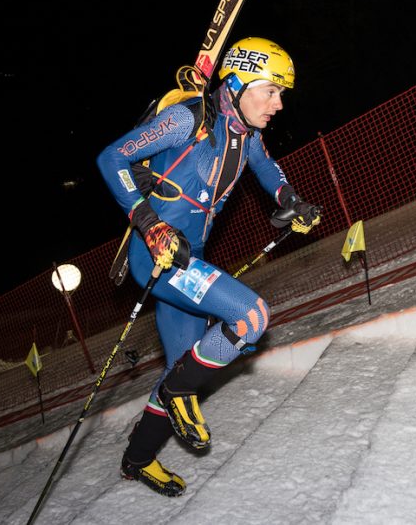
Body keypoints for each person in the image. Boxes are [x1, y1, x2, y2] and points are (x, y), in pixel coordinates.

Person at [97, 37, 321, 497]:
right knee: (251, 318)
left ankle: (137, 459)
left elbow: (268, 170)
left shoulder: (247, 136)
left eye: (281, 94)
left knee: (184, 365)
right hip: (156, 255)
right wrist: (149, 224)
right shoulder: (189, 120)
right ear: (237, 84)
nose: (278, 104)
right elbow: (111, 157)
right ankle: (177, 392)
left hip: (188, 257)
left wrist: (292, 201)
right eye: (271, 91)